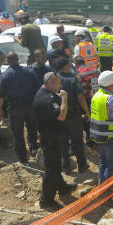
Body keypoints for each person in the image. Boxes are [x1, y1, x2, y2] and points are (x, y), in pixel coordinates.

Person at [33, 72, 76, 210]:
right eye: (58, 83)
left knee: (56, 165)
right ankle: (46, 200)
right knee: (51, 169)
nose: (60, 86)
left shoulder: (46, 93)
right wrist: (64, 98)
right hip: (49, 138)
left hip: (53, 136)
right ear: (50, 83)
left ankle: (62, 188)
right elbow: (61, 115)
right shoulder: (46, 97)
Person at [0, 52, 39, 164]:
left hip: (15, 108)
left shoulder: (5, 75)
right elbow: (38, 89)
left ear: (8, 61)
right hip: (30, 106)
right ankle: (33, 148)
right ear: (18, 59)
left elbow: (0, 96)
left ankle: (22, 157)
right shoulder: (29, 72)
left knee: (17, 133)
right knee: (32, 128)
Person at [90, 71, 113, 184]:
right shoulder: (108, 99)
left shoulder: (96, 96)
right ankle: (106, 191)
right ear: (111, 84)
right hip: (109, 137)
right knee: (112, 165)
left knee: (103, 161)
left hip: (99, 136)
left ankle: (101, 185)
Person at [57, 58, 91, 174]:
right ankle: (82, 165)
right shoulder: (72, 80)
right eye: (69, 65)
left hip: (59, 116)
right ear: (65, 66)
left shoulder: (54, 79)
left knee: (63, 142)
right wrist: (87, 112)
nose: (70, 67)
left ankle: (66, 167)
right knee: (77, 141)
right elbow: (81, 98)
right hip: (73, 115)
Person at [74, 56, 99, 144]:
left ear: (76, 64)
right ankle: (95, 137)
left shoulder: (78, 73)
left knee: (87, 118)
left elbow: (78, 88)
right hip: (96, 96)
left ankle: (90, 139)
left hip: (86, 98)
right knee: (94, 117)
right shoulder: (95, 70)